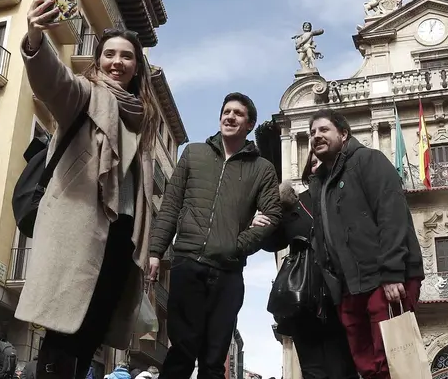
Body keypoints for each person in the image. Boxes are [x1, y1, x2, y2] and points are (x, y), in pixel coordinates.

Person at [14, 0, 160, 379]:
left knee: (91, 332)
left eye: (126, 57)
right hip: (78, 228)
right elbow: (52, 81)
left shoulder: (142, 119)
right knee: (63, 329)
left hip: (120, 236)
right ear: (98, 61)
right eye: (109, 54)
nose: (117, 62)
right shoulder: (82, 94)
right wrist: (35, 38)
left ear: (136, 67)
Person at [148, 92, 281, 379]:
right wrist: (155, 252)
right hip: (187, 264)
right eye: (226, 111)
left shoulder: (262, 169)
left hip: (228, 272)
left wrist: (237, 246)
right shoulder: (194, 154)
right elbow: (170, 205)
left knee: (214, 358)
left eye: (238, 114)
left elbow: (272, 216)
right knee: (181, 351)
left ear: (250, 124)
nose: (230, 117)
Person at [306, 109, 424, 379]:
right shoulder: (322, 183)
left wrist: (393, 272)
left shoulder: (369, 160)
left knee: (394, 363)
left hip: (384, 280)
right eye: (312, 133)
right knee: (368, 367)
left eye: (324, 130)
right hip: (349, 288)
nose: (316, 136)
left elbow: (392, 215)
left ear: (344, 134)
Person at [254, 151, 358, 379]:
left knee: (344, 369)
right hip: (304, 300)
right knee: (313, 371)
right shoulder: (294, 205)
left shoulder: (348, 199)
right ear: (308, 169)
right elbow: (271, 242)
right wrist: (261, 222)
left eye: (325, 160)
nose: (318, 164)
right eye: (313, 161)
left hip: (342, 298)